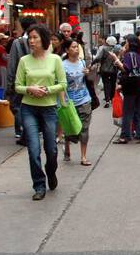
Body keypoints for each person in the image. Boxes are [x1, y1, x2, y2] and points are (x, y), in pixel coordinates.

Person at [14, 24, 66, 200]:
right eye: (30, 37)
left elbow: (63, 84)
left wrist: (47, 90)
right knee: (33, 149)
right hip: (28, 108)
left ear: (43, 39)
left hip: (49, 108)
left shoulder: (55, 60)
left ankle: (51, 172)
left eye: (35, 37)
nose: (32, 40)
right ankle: (39, 185)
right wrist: (30, 89)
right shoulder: (24, 61)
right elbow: (17, 86)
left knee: (51, 149)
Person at [114, 35, 140, 144]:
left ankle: (125, 136)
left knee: (127, 112)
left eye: (126, 42)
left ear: (130, 43)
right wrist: (139, 72)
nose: (125, 44)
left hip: (130, 86)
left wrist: (117, 60)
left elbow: (126, 69)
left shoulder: (128, 55)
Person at [60, 39, 94, 166]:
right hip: (70, 102)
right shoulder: (63, 65)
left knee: (84, 129)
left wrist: (88, 74)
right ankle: (67, 147)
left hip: (85, 99)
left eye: (77, 47)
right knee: (71, 129)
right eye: (73, 47)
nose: (76, 49)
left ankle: (83, 156)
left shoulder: (82, 62)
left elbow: (89, 80)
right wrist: (63, 102)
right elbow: (61, 86)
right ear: (67, 50)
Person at [6, 18, 33, 143]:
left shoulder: (18, 43)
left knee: (18, 107)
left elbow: (12, 66)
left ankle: (22, 132)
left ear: (22, 27)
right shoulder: (41, 41)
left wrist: (9, 85)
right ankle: (30, 131)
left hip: (21, 82)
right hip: (37, 82)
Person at [96, 35, 120, 104]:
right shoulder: (117, 49)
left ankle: (107, 100)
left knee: (106, 84)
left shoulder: (104, 49)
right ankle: (112, 98)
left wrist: (92, 63)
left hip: (104, 70)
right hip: (114, 70)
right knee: (113, 84)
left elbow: (98, 58)